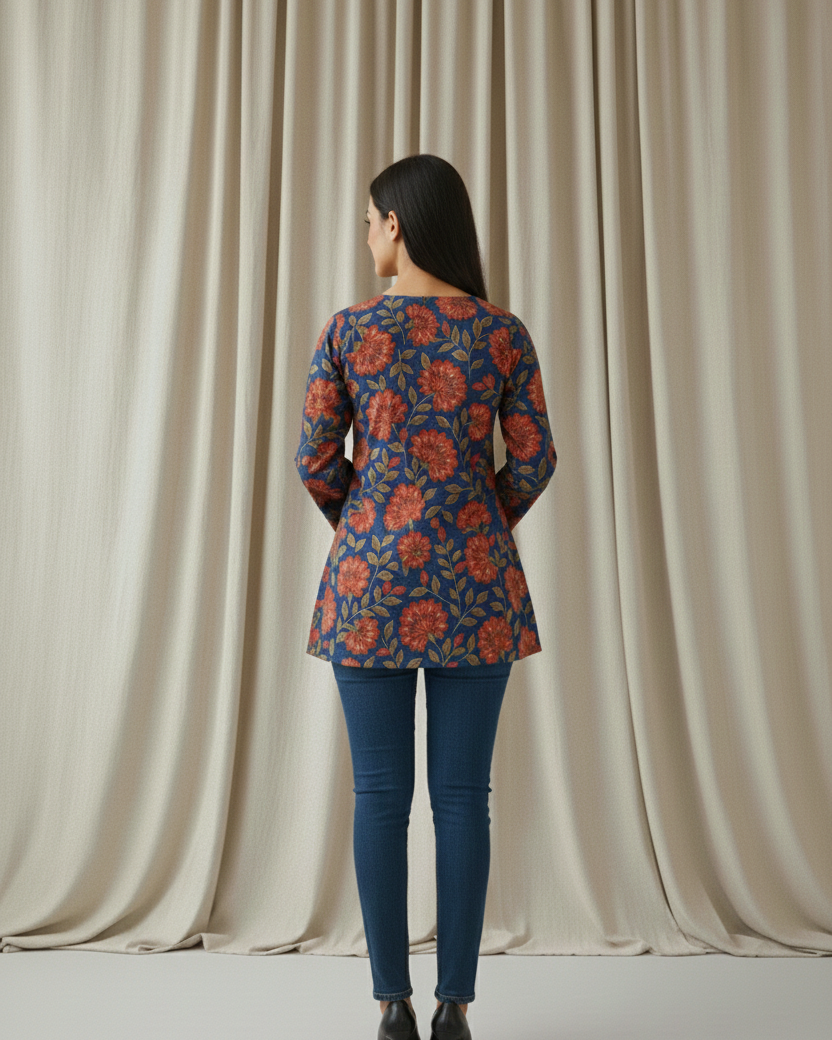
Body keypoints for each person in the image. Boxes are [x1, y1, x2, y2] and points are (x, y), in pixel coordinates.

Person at [294, 154, 557, 1040]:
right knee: (462, 798)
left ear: (397, 224)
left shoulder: (349, 331)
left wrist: (368, 524)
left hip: (368, 587)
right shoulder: (501, 333)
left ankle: (390, 1006)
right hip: (477, 587)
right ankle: (454, 1007)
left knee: (379, 795)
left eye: (371, 221)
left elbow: (314, 459)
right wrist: (477, 517)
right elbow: (535, 458)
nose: (367, 235)